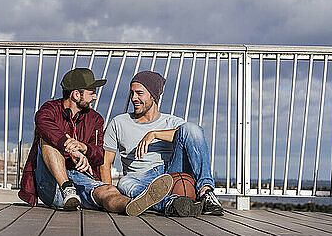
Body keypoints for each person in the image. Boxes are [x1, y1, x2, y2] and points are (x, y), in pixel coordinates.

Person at [18, 68, 173, 216]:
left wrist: (84, 148)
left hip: (82, 178)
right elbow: (44, 124)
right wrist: (72, 150)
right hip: (52, 184)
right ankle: (67, 188)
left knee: (109, 192)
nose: (95, 97)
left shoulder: (95, 119)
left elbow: (99, 155)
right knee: (47, 139)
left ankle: (131, 205)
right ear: (76, 95)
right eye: (92, 93)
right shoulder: (49, 110)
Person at [102, 70, 224, 216]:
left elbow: (190, 135)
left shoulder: (171, 121)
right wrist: (108, 194)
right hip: (139, 177)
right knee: (124, 183)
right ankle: (170, 203)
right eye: (132, 93)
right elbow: (106, 163)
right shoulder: (118, 123)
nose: (134, 98)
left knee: (192, 128)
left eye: (139, 93)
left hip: (170, 173)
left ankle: (206, 192)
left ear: (153, 96)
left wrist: (154, 134)